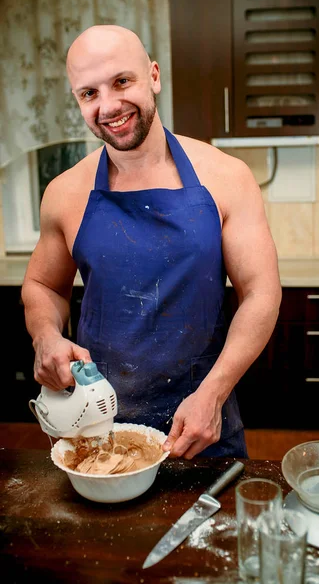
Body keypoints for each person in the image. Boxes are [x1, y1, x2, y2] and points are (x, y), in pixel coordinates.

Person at [21, 25, 281, 459]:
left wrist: (213, 394)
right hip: (97, 424)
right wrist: (45, 335)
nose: (108, 106)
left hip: (201, 424)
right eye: (89, 94)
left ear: (154, 76)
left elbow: (261, 292)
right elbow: (43, 285)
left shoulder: (227, 177)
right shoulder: (65, 192)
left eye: (122, 81)